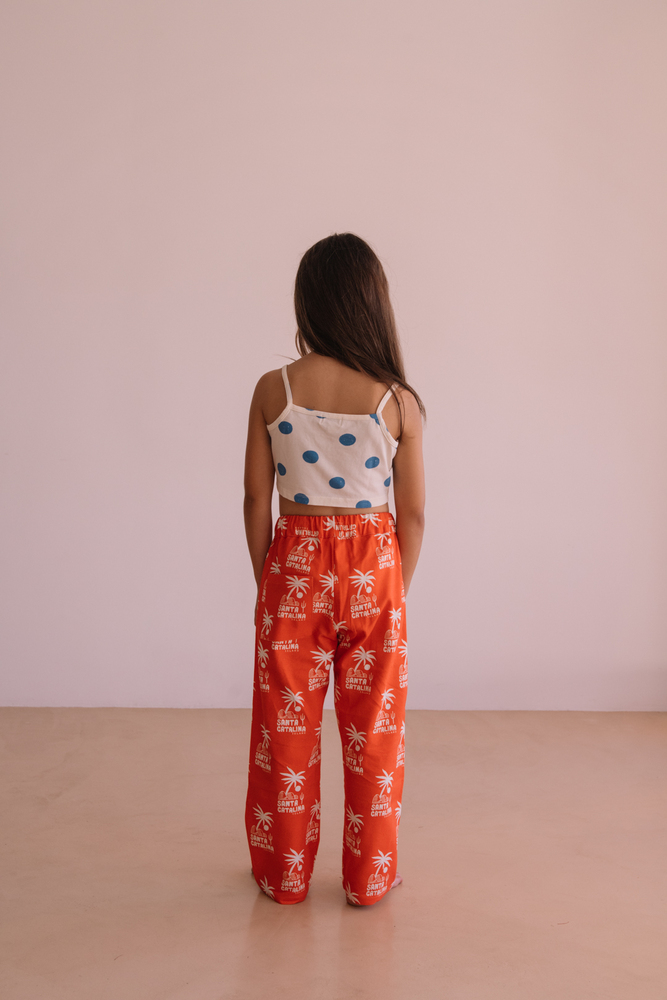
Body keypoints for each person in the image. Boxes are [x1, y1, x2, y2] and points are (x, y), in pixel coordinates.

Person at [242, 232, 425, 906]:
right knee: (374, 732)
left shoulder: (275, 389)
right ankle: (368, 880)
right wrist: (392, 593)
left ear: (308, 303)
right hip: (374, 569)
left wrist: (272, 582)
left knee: (285, 730)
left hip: (294, 563)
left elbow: (255, 500)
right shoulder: (397, 402)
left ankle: (283, 876)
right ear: (372, 304)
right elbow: (413, 515)